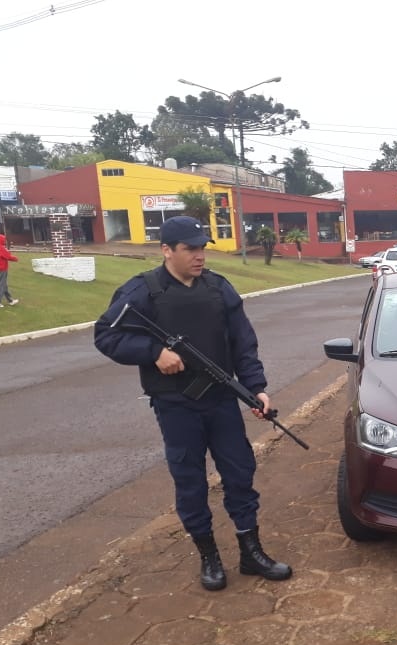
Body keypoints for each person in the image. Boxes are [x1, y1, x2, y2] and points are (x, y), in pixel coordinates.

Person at [94, 215, 292, 590]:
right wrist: (153, 352)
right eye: (190, 249)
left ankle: (251, 552)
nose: (199, 256)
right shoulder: (142, 291)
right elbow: (106, 335)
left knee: (239, 473)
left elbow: (243, 343)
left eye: (202, 248)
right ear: (167, 251)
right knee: (190, 481)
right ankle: (209, 558)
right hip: (175, 405)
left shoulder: (219, 289)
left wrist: (256, 388)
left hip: (221, 401)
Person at [0, 234, 19, 308]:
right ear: (0, 240)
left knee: (3, 285)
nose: (4, 241)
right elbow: (8, 256)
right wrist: (16, 258)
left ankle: (10, 300)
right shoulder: (1, 248)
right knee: (1, 285)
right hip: (2, 269)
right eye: (3, 239)